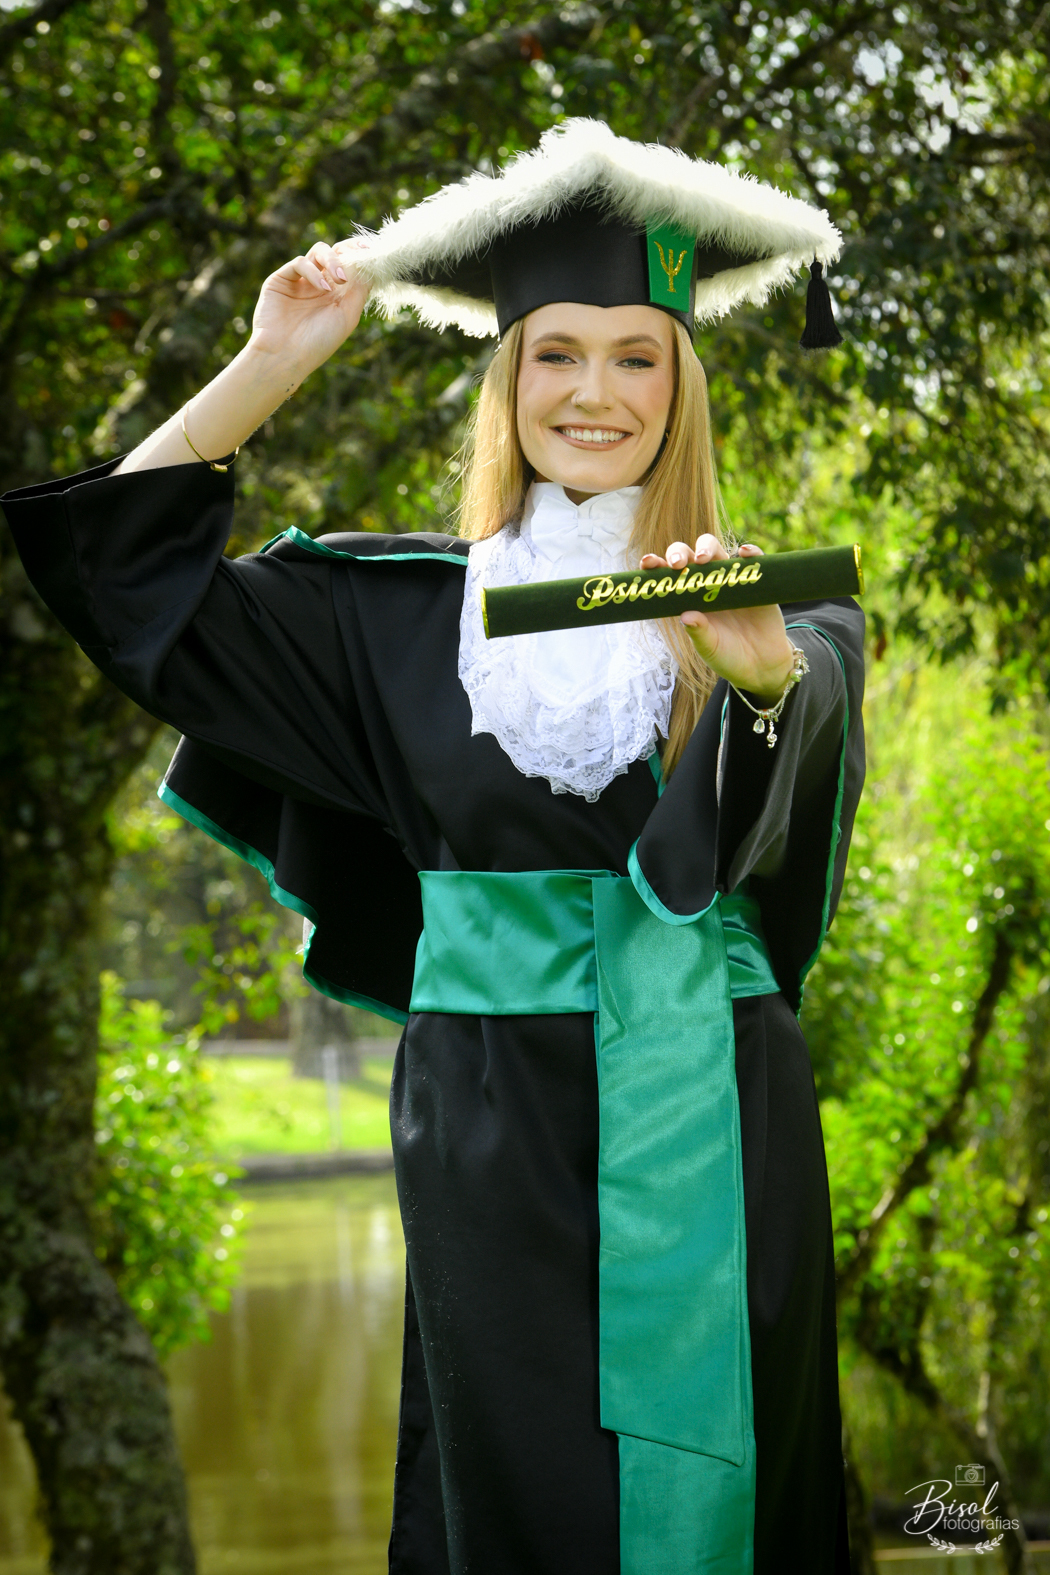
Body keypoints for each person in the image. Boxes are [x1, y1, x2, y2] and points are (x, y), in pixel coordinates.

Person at [4, 119, 863, 1575]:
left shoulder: (777, 615)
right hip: (484, 1110)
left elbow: (758, 817)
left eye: (637, 356)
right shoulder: (390, 619)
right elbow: (122, 582)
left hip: (717, 1099)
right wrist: (272, 360)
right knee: (512, 1492)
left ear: (681, 389)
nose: (595, 391)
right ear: (505, 377)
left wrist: (761, 684)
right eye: (556, 353)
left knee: (733, 1491)